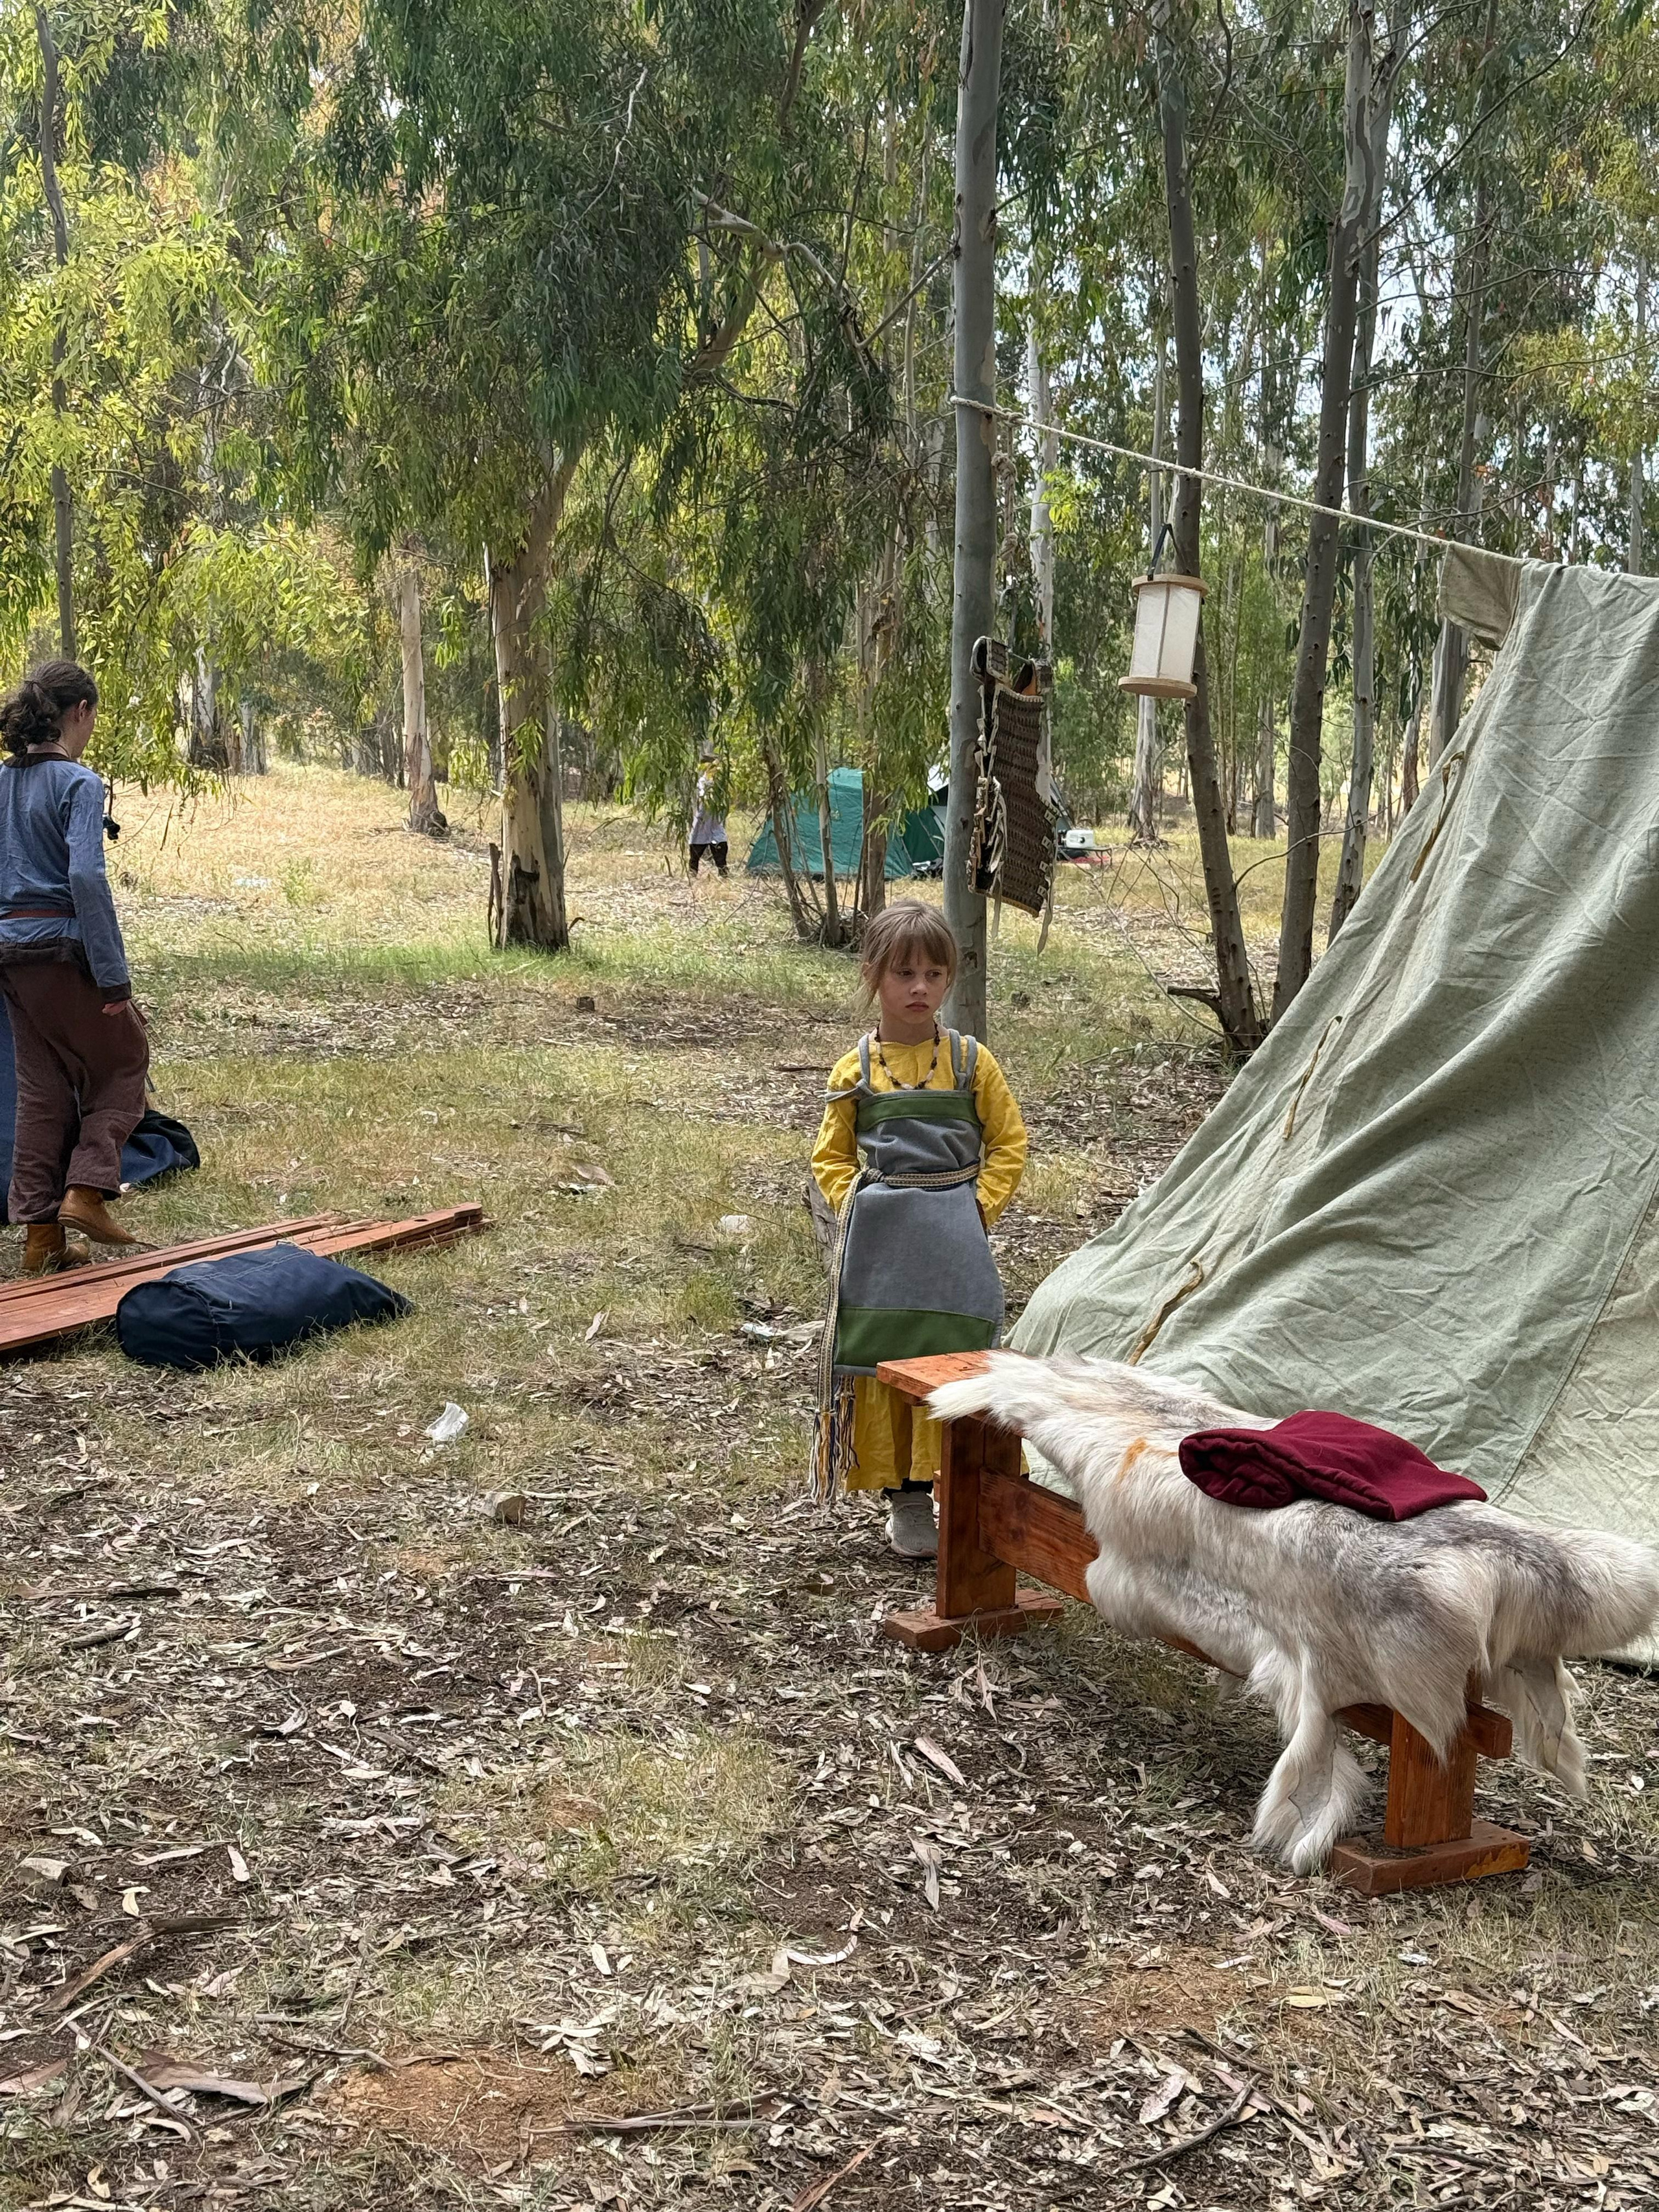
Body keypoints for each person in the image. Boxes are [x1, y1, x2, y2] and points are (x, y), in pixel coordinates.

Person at [810, 900, 1027, 1556]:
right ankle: (905, 1499)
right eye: (904, 972)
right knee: (889, 1364)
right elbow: (831, 1155)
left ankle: (962, 1489)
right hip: (880, 1256)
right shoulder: (856, 1070)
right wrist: (863, 1214)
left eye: (934, 973)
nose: (919, 988)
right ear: (874, 975)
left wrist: (974, 1210)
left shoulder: (970, 1062)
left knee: (955, 1360)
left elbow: (1010, 1143)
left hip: (954, 1253)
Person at [0, 660, 148, 1274]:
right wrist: (112, 976)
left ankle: (41, 1240)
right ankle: (87, 1192)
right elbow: (85, 875)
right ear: (80, 712)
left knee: (41, 1092)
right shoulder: (80, 783)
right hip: (61, 949)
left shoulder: (1, 783)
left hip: (9, 957)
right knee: (124, 1058)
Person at [688, 760, 728, 878]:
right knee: (696, 845)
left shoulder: (721, 783)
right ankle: (693, 873)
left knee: (720, 843)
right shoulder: (702, 782)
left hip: (715, 821)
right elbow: (703, 794)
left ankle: (723, 872)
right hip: (702, 820)